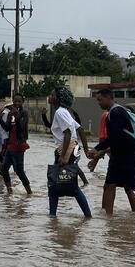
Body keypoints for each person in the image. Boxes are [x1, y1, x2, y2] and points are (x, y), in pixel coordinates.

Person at [88, 88, 135, 215]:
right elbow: (118, 138)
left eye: (100, 100)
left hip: (128, 156)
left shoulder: (116, 112)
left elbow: (114, 136)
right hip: (120, 155)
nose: (99, 103)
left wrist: (97, 148)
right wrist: (101, 152)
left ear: (109, 98)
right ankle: (108, 217)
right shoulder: (115, 112)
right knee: (110, 185)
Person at [47, 87, 92, 217]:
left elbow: (67, 133)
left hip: (66, 148)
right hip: (74, 147)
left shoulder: (59, 112)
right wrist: (86, 150)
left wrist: (62, 156)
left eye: (52, 95)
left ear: (58, 99)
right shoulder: (65, 112)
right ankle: (87, 215)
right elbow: (80, 130)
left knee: (55, 184)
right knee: (68, 182)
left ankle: (52, 216)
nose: (50, 96)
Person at [42, 107, 90, 186]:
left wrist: (75, 113)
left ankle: (57, 186)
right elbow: (48, 124)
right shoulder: (63, 120)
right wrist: (43, 115)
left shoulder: (61, 114)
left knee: (65, 168)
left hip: (69, 147)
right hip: (72, 147)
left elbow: (76, 129)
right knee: (71, 167)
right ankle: (82, 183)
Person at [0, 93, 31, 194]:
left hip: (19, 145)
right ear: (12, 101)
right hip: (10, 145)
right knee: (4, 168)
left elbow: (21, 127)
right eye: (15, 101)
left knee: (19, 170)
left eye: (19, 101)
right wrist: (0, 119)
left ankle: (29, 192)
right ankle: (9, 190)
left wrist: (16, 116)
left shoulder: (24, 113)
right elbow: (7, 128)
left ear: (23, 102)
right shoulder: (10, 114)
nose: (17, 103)